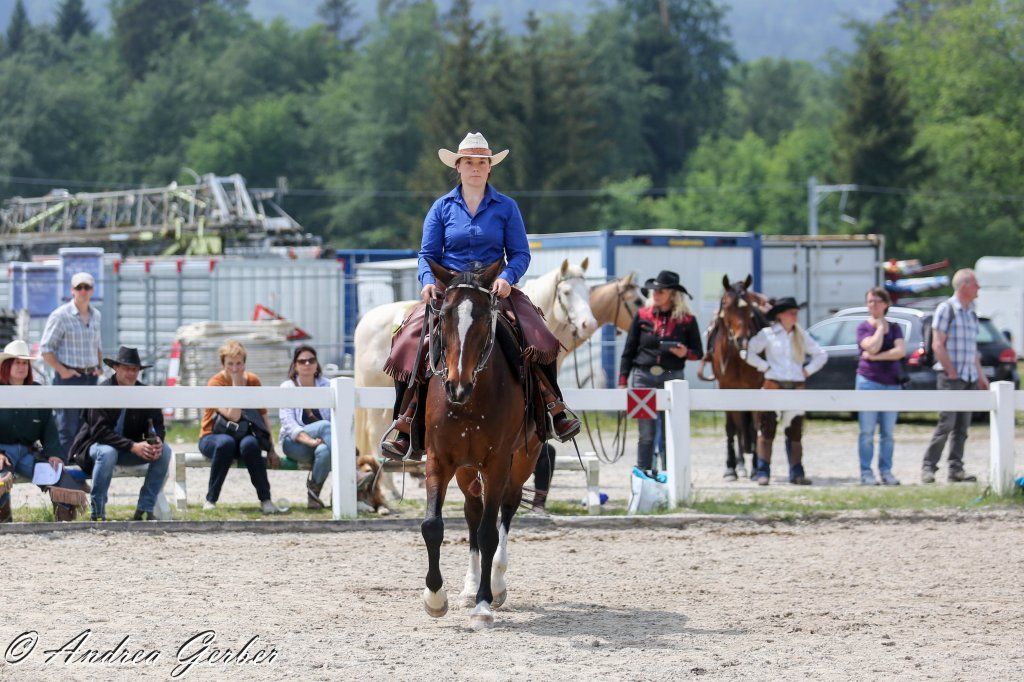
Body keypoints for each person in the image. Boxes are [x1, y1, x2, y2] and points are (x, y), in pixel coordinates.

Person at [380, 131, 580, 460]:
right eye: (469, 162)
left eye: (482, 162)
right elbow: (426, 253)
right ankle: (404, 423)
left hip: (493, 287)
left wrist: (507, 277)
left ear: (490, 168)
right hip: (450, 289)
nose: (475, 167)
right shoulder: (441, 207)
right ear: (457, 167)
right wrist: (428, 280)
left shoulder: (506, 207)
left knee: (539, 335)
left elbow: (519, 254)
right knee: (408, 340)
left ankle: (554, 409)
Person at [68, 346, 172, 521]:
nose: (131, 373)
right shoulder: (102, 391)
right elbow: (99, 433)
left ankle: (144, 508)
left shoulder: (145, 393)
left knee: (165, 451)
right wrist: (133, 446)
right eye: (126, 368)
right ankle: (98, 512)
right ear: (115, 368)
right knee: (108, 452)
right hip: (97, 448)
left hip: (130, 449)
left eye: (135, 369)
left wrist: (158, 441)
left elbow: (158, 424)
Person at [617, 270, 703, 474]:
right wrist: (622, 380)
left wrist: (685, 352)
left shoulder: (687, 320)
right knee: (645, 432)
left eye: (660, 291)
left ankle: (669, 475)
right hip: (642, 376)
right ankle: (643, 474)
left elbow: (698, 352)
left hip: (672, 377)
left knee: (669, 432)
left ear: (673, 294)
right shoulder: (642, 315)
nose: (655, 294)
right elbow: (628, 351)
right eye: (653, 290)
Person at [743, 297, 827, 486]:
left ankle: (796, 472)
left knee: (795, 431)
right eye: (791, 312)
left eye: (796, 313)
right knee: (766, 429)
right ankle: (763, 471)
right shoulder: (768, 334)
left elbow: (821, 354)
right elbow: (748, 352)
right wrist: (764, 367)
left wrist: (807, 370)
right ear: (780, 315)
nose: (794, 316)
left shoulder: (801, 335)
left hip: (795, 385)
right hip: (773, 384)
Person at [0, 340, 87, 522]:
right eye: (17, 362)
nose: (22, 367)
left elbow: (49, 425)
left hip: (27, 452)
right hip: (2, 452)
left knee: (58, 476)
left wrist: (54, 453)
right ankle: (3, 514)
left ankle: (63, 519)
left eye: (25, 363)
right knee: (1, 476)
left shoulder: (37, 391)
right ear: (7, 365)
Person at [199, 340, 283, 513]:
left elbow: (263, 416)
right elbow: (233, 415)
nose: (235, 368)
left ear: (245, 363)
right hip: (212, 436)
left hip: (244, 434)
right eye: (230, 364)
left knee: (251, 445)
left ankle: (265, 500)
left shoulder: (253, 380)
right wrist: (237, 384)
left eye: (239, 363)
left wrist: (271, 448)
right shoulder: (215, 382)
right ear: (223, 364)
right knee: (226, 443)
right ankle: (211, 499)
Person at [922, 269, 987, 483]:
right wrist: (951, 370)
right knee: (946, 424)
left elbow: (972, 348)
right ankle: (929, 467)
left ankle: (956, 469)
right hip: (950, 377)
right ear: (965, 285)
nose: (978, 288)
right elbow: (938, 343)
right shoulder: (947, 309)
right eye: (975, 283)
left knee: (962, 427)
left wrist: (980, 374)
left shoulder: (971, 311)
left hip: (968, 376)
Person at [39, 271, 104, 455]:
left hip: (90, 377)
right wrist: (63, 370)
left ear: (92, 290)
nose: (83, 291)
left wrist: (99, 367)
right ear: (72, 290)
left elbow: (98, 345)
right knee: (67, 426)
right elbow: (46, 349)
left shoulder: (96, 315)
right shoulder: (60, 315)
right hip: (69, 377)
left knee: (88, 425)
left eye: (87, 287)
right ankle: (65, 469)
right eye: (79, 287)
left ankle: (81, 464)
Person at [856, 287, 906, 486]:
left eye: (877, 301)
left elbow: (900, 351)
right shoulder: (863, 327)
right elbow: (871, 346)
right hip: (868, 381)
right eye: (869, 301)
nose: (873, 305)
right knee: (867, 431)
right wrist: (878, 328)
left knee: (888, 433)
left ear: (886, 304)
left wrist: (876, 357)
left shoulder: (895, 327)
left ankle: (886, 470)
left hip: (891, 384)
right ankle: (866, 472)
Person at [279, 345, 332, 509]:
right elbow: (288, 424)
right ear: (295, 365)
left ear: (317, 364)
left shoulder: (328, 385)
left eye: (311, 360)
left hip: (322, 444)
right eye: (302, 361)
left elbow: (335, 421)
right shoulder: (287, 387)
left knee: (324, 452)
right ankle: (352, 468)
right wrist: (310, 441)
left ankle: (313, 496)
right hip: (293, 443)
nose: (307, 364)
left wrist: (319, 443)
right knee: (324, 426)